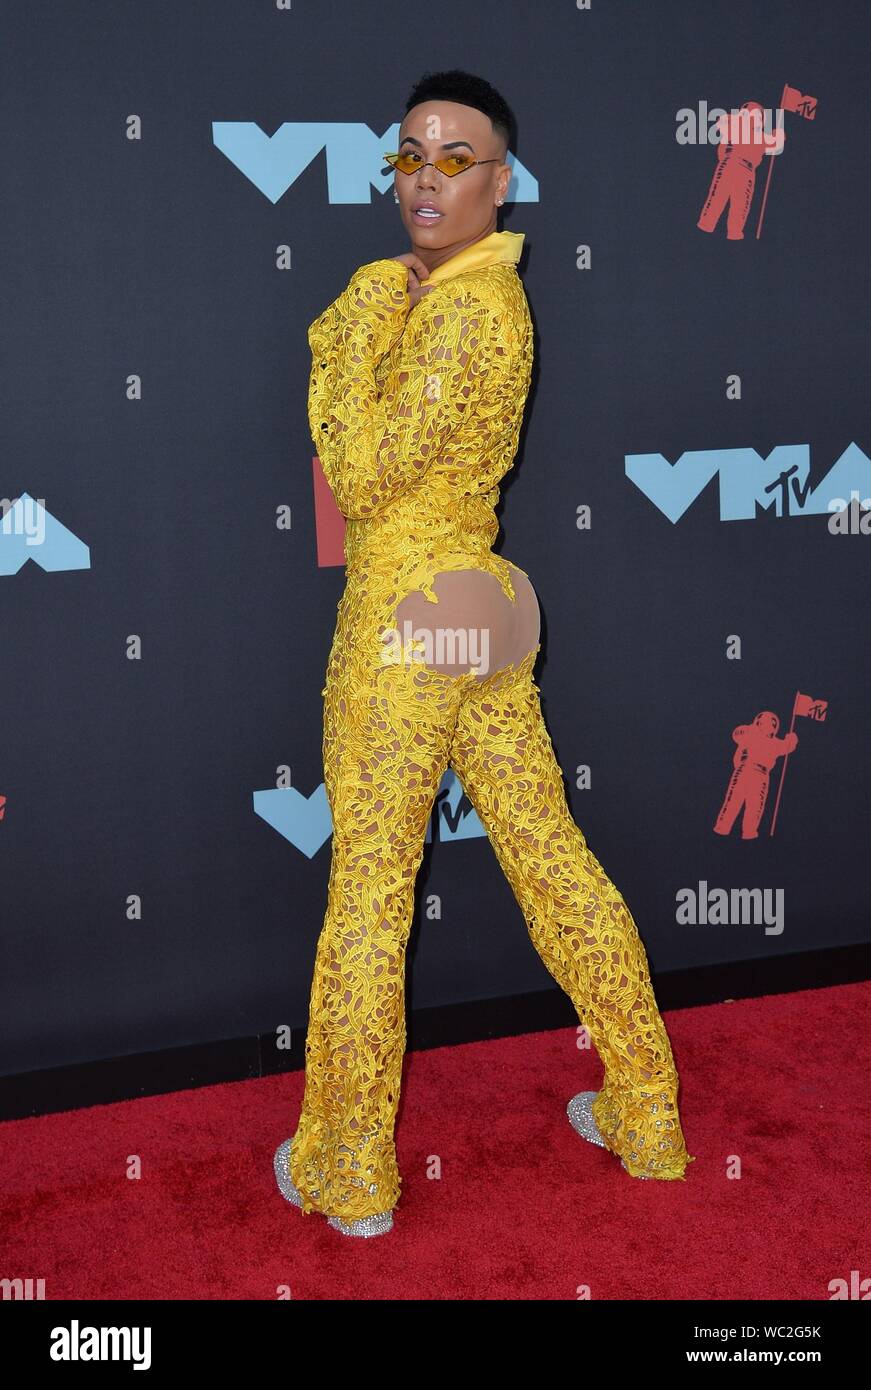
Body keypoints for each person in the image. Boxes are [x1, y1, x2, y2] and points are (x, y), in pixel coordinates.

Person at [275, 69, 694, 1239]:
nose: (425, 177)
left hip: (410, 611)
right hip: (484, 606)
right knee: (550, 854)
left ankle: (349, 1174)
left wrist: (356, 310)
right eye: (410, 154)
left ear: (500, 182)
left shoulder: (448, 309)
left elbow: (358, 475)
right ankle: (647, 1112)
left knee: (368, 888)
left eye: (455, 159)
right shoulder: (471, 299)